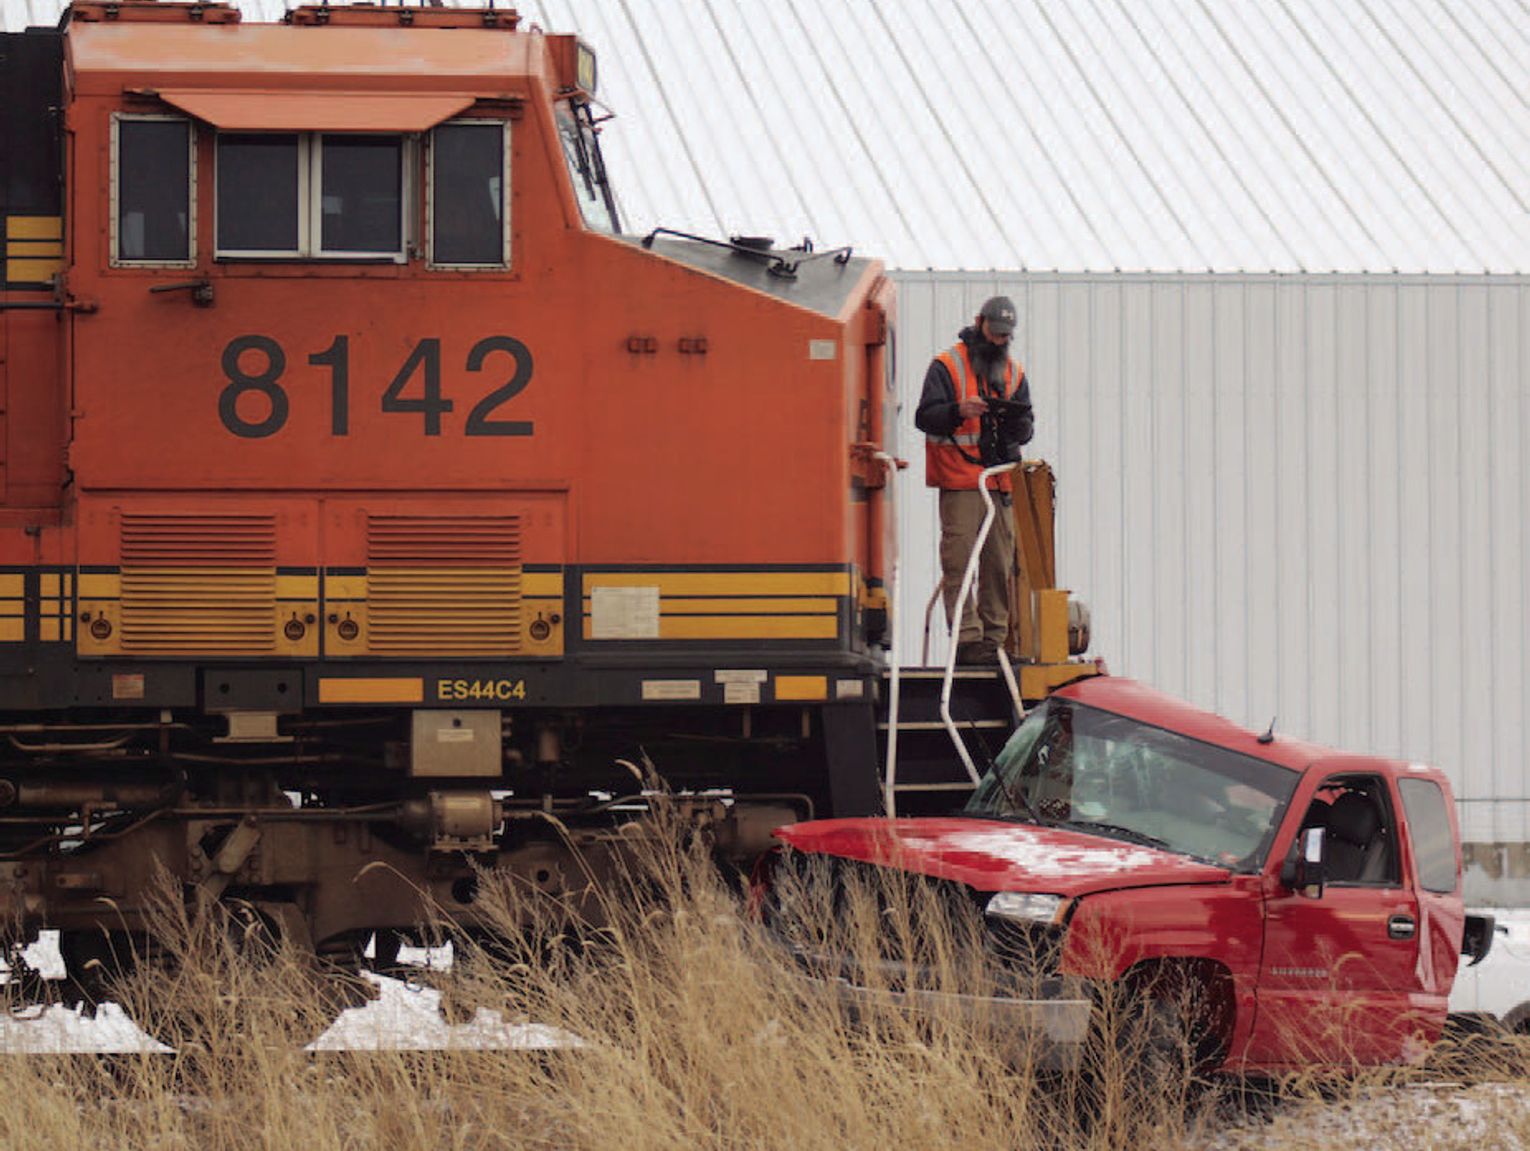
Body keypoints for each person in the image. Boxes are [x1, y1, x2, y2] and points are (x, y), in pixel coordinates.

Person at [915, 295, 1034, 664]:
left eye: (1005, 336)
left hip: (999, 482)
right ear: (980, 323)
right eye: (995, 333)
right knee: (960, 560)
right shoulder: (947, 366)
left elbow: (1028, 427)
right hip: (960, 481)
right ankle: (968, 640)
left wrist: (1015, 424)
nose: (999, 341)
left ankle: (994, 642)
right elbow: (925, 417)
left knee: (1000, 562)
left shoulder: (1013, 373)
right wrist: (958, 410)